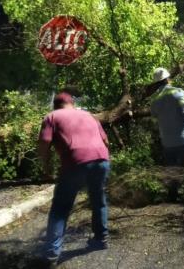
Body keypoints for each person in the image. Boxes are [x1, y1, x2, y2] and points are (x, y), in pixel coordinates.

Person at [38, 92, 110, 265]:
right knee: (98, 200)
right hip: (102, 159)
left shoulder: (52, 116)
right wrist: (104, 162)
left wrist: (46, 168)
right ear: (72, 103)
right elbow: (106, 141)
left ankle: (51, 254)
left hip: (75, 162)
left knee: (60, 208)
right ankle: (101, 239)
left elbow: (43, 144)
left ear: (56, 105)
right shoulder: (89, 115)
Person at [150, 67, 184, 202]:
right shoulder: (177, 92)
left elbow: (153, 116)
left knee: (172, 167)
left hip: (167, 140)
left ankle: (172, 194)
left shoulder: (155, 100)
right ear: (168, 79)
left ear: (156, 83)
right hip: (183, 136)